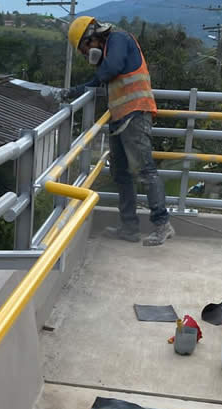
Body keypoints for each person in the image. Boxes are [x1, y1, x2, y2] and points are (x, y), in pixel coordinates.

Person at [66, 16, 174, 246]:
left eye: (85, 48)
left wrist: (81, 88)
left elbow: (113, 68)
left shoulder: (118, 39)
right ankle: (129, 228)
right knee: (121, 174)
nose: (87, 55)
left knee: (145, 170)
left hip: (135, 113)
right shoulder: (108, 48)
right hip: (120, 117)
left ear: (92, 35)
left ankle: (162, 225)